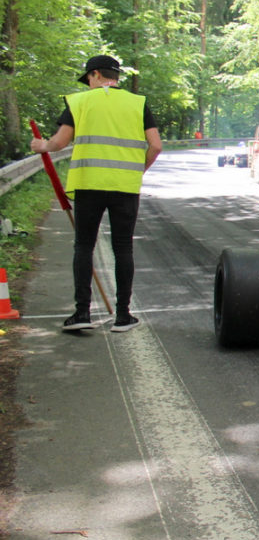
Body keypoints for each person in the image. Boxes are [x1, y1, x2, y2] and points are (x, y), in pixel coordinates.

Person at [30, 55, 162, 333]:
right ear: (114, 77)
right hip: (125, 187)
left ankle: (82, 314)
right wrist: (137, 170)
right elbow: (156, 146)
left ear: (95, 76)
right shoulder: (137, 103)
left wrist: (40, 144)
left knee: (83, 246)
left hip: (89, 185)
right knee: (123, 247)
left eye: (88, 79)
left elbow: (59, 142)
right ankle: (124, 317)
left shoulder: (79, 102)